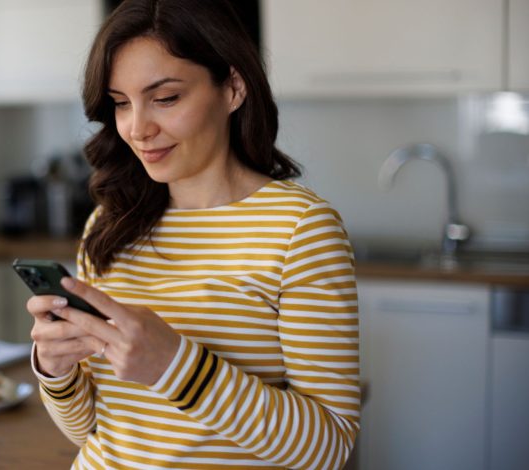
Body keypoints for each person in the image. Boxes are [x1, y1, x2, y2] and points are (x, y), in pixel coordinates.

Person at [25, 0, 360, 468]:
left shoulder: (300, 229)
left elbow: (328, 448)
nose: (138, 128)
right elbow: (92, 432)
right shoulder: (109, 225)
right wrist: (55, 371)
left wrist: (175, 367)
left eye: (165, 98)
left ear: (233, 89)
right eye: (121, 103)